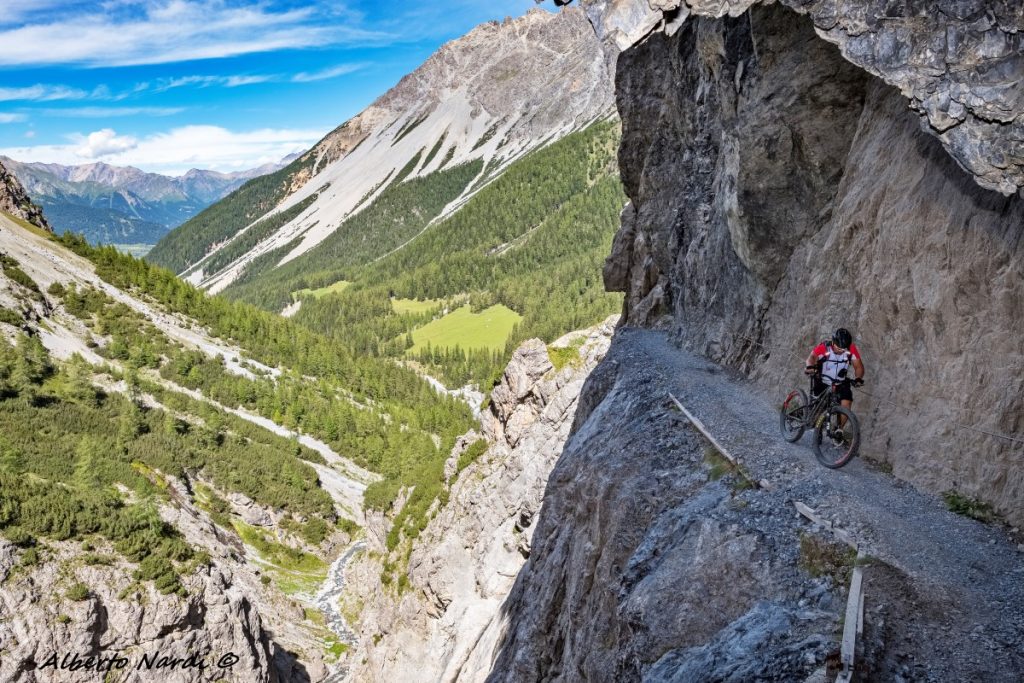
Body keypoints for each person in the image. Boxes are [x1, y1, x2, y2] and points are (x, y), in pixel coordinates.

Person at [804, 328, 865, 437]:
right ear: (833, 342)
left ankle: (839, 430)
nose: (841, 350)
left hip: (840, 382)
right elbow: (812, 357)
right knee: (819, 405)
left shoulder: (851, 349)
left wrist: (858, 378)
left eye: (844, 348)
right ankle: (817, 429)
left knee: (847, 401)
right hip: (822, 380)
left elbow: (858, 366)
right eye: (839, 347)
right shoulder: (824, 347)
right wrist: (810, 366)